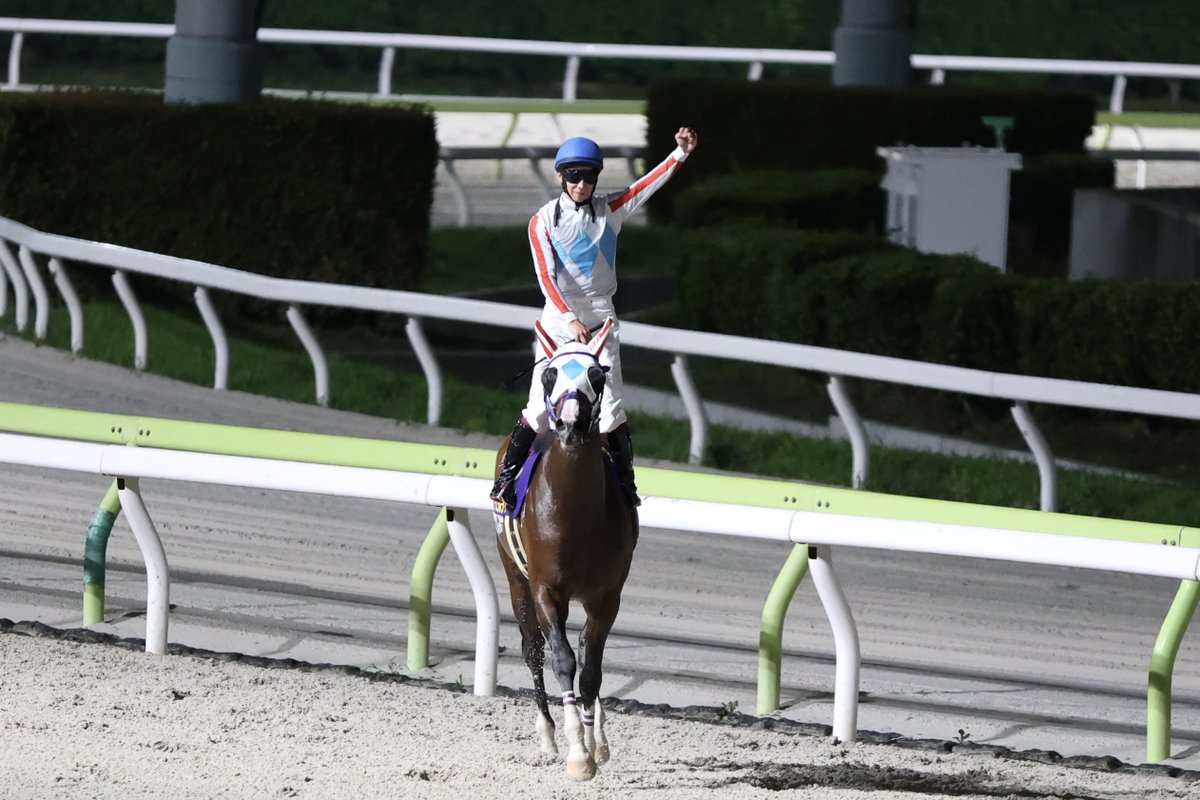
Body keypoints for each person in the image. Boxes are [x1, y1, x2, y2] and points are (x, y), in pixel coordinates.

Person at [491, 125, 699, 511]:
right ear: (560, 176)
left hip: (602, 316)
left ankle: (625, 486)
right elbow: (545, 277)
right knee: (539, 409)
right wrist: (569, 318)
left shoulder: (610, 211)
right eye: (574, 175)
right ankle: (504, 483)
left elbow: (646, 185)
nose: (582, 184)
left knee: (611, 409)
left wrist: (680, 154)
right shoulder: (542, 221)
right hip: (558, 318)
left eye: (589, 176)